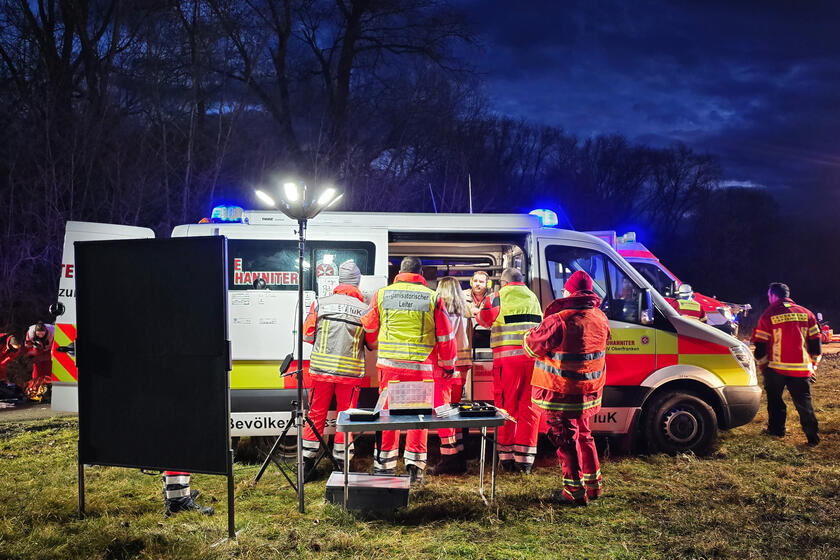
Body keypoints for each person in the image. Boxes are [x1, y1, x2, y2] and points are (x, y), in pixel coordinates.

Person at [361, 257, 457, 486]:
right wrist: (448, 365)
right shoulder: (433, 297)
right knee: (419, 417)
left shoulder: (382, 294)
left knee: (387, 417)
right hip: (421, 368)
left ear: (400, 272)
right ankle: (415, 469)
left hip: (390, 367)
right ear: (420, 272)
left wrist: (374, 344)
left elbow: (370, 326)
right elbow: (445, 336)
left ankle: (385, 467)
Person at [524, 270, 610, 506]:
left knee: (564, 438)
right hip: (589, 391)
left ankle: (573, 491)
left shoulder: (559, 319)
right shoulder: (600, 317)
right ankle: (594, 486)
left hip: (560, 392)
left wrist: (528, 334)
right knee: (584, 434)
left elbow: (532, 348)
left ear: (570, 292)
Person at [301, 260, 376, 479]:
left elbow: (307, 335)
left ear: (339, 282)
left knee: (316, 414)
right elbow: (372, 343)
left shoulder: (320, 303)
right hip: (350, 374)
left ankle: (307, 465)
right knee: (346, 416)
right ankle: (341, 466)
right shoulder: (365, 309)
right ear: (357, 283)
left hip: (321, 371)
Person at [476, 267, 542, 473]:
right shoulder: (533, 297)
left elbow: (483, 320)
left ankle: (506, 458)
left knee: (506, 406)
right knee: (529, 408)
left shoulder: (497, 297)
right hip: (532, 360)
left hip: (507, 361)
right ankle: (525, 460)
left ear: (503, 283)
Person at [751, 282, 822, 445]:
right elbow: (816, 344)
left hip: (776, 369)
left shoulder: (769, 314)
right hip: (802, 369)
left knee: (775, 400)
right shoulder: (807, 314)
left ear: (773, 295)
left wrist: (763, 366)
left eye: (769, 296)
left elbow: (760, 345)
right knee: (804, 403)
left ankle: (777, 431)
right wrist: (813, 366)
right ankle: (813, 437)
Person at [430, 276, 471, 475]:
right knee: (455, 410)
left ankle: (449, 458)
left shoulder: (441, 312)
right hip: (462, 367)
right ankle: (460, 452)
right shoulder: (465, 312)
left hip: (445, 367)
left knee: (443, 412)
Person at [24, 322, 54, 401]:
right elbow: (27, 345)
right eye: (39, 334)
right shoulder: (30, 333)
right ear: (35, 332)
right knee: (37, 371)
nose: (40, 336)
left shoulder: (53, 332)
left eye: (42, 334)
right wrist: (30, 354)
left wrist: (53, 356)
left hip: (50, 349)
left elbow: (56, 345)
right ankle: (35, 389)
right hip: (37, 350)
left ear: (45, 332)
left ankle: (48, 389)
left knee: (48, 369)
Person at [0, 333, 22, 398]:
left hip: (3, 358)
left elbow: (7, 360)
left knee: (2, 368)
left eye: (16, 349)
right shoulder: (1, 340)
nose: (14, 350)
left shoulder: (16, 350)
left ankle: (2, 382)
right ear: (10, 344)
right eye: (13, 348)